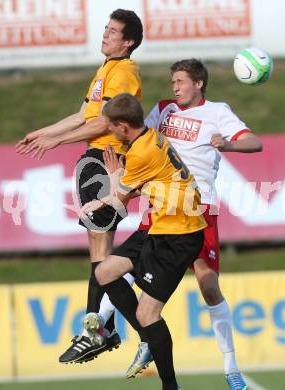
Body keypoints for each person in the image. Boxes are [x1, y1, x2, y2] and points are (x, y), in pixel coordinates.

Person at [90, 59, 262, 389]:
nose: (175, 87)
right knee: (121, 272)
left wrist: (227, 144)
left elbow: (255, 143)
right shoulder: (164, 110)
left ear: (199, 84)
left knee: (208, 285)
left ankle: (231, 367)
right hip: (159, 206)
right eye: (173, 82)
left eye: (181, 81)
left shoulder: (217, 111)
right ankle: (136, 336)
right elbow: (137, 137)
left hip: (198, 210)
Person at [15, 9, 143, 364]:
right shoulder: (105, 70)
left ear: (128, 41)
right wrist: (47, 133)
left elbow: (104, 122)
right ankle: (103, 327)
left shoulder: (123, 71)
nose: (105, 35)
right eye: (105, 28)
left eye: (113, 31)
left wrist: (60, 142)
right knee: (98, 253)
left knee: (102, 255)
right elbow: (85, 114)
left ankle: (101, 330)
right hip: (95, 162)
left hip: (106, 162)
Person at [80, 93, 206, 390]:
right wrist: (118, 182)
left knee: (148, 312)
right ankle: (146, 335)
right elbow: (136, 187)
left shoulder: (141, 153)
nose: (108, 131)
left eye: (110, 126)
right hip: (162, 225)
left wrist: (105, 187)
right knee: (104, 272)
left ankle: (171, 386)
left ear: (123, 127)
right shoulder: (150, 138)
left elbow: (119, 200)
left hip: (178, 234)